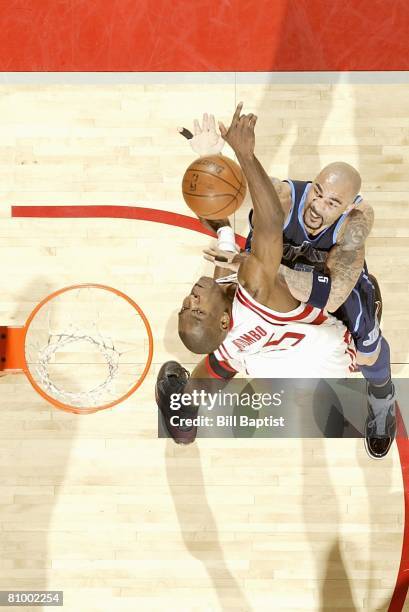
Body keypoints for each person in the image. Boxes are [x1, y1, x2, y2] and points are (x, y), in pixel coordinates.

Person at [177, 111, 396, 460]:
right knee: (235, 335)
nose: (317, 206)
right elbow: (240, 193)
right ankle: (188, 410)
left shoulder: (356, 222)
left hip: (328, 284)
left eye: (331, 203)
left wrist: (252, 263)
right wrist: (212, 160)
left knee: (369, 347)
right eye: (317, 193)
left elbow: (333, 295)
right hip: (271, 281)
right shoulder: (285, 197)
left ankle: (382, 396)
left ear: (348, 206)